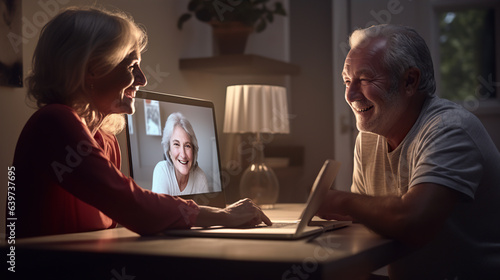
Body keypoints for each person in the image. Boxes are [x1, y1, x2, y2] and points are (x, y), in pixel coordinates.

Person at [10, 6, 270, 239]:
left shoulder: (106, 139)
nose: (142, 79)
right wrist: (223, 216)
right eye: (132, 65)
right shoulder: (54, 122)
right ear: (92, 68)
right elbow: (132, 205)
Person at [317, 24, 500, 279]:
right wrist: (346, 212)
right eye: (347, 80)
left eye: (366, 79)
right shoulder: (368, 137)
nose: (350, 94)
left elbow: (413, 223)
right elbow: (370, 216)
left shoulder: (451, 129)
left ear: (410, 81)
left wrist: (343, 201)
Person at [152, 112, 210, 195]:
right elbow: (160, 208)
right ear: (169, 151)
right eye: (176, 144)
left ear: (193, 150)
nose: (183, 155)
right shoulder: (162, 170)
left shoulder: (200, 177)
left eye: (187, 146)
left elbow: (206, 208)